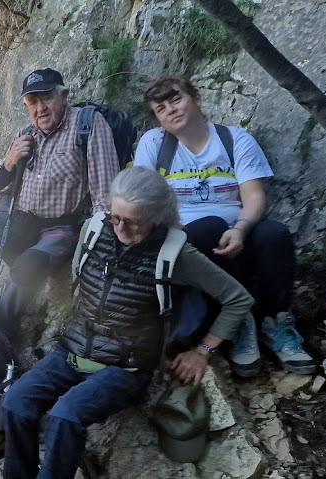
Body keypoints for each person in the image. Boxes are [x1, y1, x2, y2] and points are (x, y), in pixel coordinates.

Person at [2, 167, 254, 479]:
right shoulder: (94, 230)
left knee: (65, 416)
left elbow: (237, 299)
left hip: (126, 366)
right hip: (73, 350)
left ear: (156, 217)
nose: (121, 228)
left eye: (134, 222)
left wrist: (203, 351)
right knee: (16, 402)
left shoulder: (175, 254)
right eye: (115, 217)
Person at [133, 76, 316, 376]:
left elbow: (254, 196)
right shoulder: (155, 144)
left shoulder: (235, 140)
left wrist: (240, 229)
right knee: (208, 227)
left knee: (275, 234)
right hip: (186, 242)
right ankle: (238, 323)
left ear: (196, 99)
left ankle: (276, 323)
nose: (170, 110)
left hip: (235, 231)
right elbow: (144, 199)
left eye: (176, 99)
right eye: (160, 108)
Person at [0, 68, 121, 337]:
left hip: (61, 228)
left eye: (46, 98)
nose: (40, 108)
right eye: (32, 102)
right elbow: (0, 185)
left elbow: (105, 194)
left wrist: (99, 244)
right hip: (18, 221)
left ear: (63, 96)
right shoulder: (25, 133)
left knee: (27, 267)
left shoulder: (89, 124)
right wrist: (10, 160)